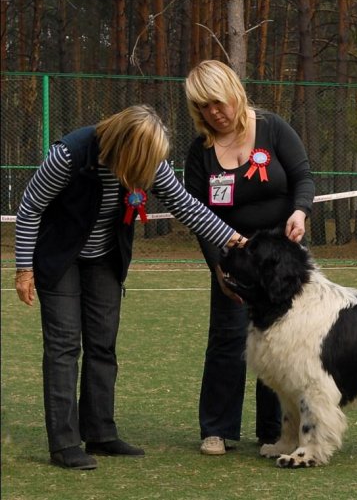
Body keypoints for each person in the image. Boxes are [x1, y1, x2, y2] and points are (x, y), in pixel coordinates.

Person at [14, 105, 248, 470]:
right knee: (63, 347)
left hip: (106, 258)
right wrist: (24, 268)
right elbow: (30, 207)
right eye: (145, 161)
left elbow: (186, 205)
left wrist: (233, 238)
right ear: (125, 148)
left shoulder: (149, 162)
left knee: (103, 344)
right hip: (60, 258)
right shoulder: (69, 154)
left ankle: (101, 433)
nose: (151, 169)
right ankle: (64, 443)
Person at [183, 60, 315, 456]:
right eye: (203, 107)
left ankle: (275, 432)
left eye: (218, 103)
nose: (214, 113)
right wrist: (219, 268)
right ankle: (217, 429)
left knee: (282, 343)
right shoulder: (200, 152)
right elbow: (195, 213)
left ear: (234, 94)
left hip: (280, 260)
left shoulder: (273, 128)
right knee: (226, 339)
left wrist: (300, 211)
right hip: (232, 260)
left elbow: (303, 178)